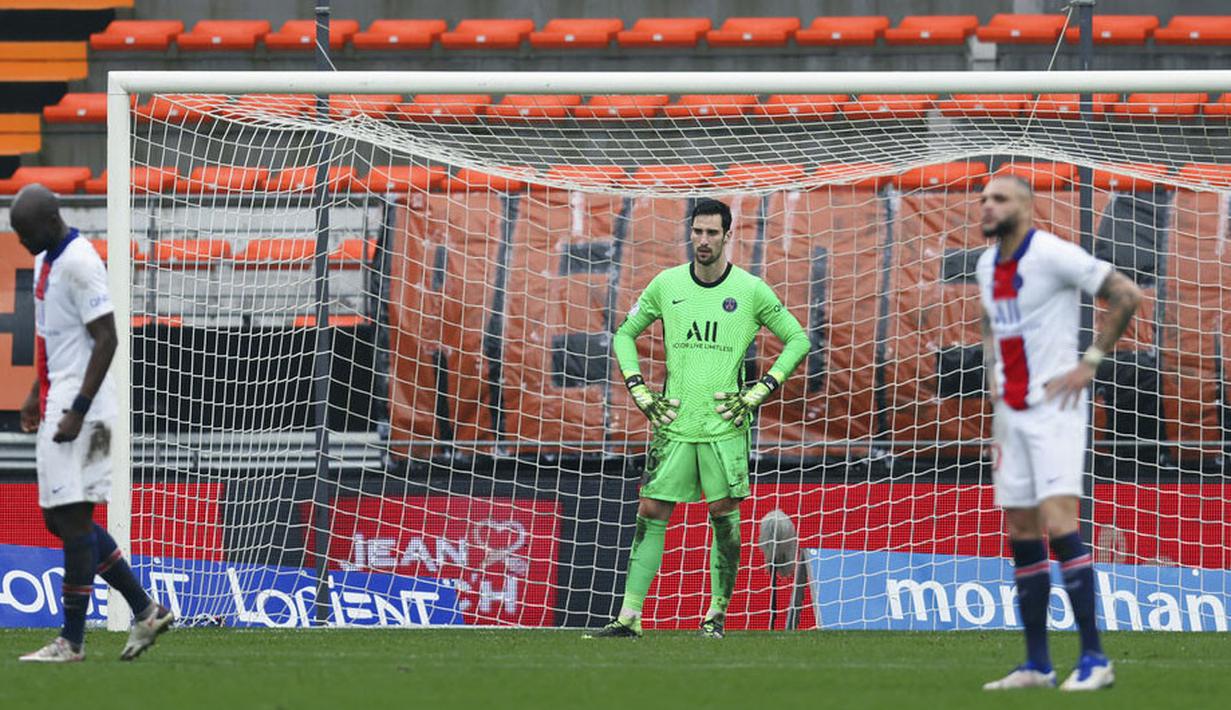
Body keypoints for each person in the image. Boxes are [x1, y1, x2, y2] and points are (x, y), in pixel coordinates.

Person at [585, 198, 810, 639]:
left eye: (712, 233)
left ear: (728, 236)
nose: (703, 241)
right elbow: (624, 335)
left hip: (725, 424)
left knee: (724, 519)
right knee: (649, 511)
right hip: (674, 421)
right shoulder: (667, 285)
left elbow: (797, 339)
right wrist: (638, 389)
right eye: (697, 232)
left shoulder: (749, 290)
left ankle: (716, 616)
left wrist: (761, 390)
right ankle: (629, 617)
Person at [976, 176, 1142, 691]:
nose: (986, 206)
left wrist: (1089, 362)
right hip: (1012, 413)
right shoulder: (985, 265)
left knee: (1059, 523)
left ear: (1026, 207)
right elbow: (989, 325)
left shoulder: (1052, 254)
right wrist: (994, 388)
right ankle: (1037, 665)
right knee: (1021, 532)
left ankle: (1095, 659)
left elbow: (1126, 295)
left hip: (1056, 409)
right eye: (983, 198)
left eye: (999, 198)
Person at [12, 184, 174, 663]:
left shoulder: (81, 262)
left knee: (73, 519)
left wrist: (78, 408)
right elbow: (58, 343)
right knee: (58, 518)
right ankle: (146, 610)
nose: (20, 240)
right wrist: (34, 393)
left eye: (24, 231)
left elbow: (107, 338)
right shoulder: (48, 261)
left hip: (85, 408)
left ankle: (72, 640)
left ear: (50, 222)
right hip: (59, 397)